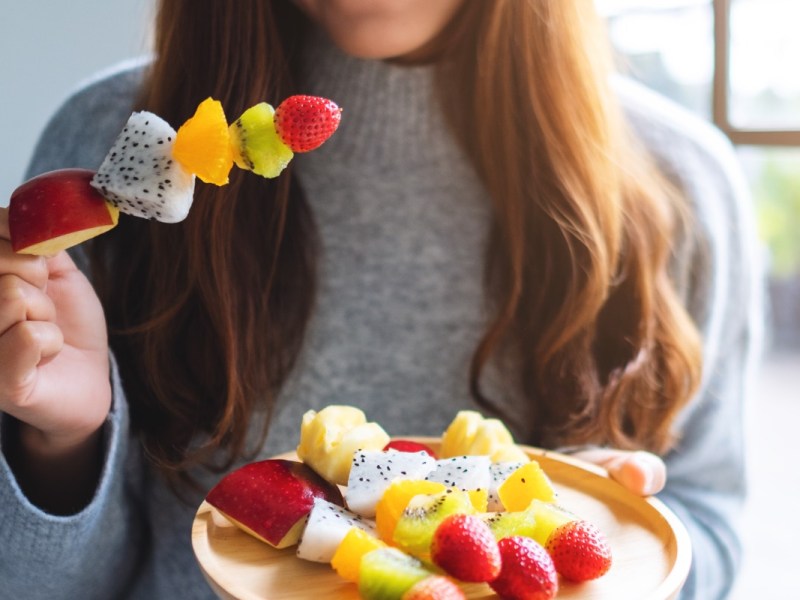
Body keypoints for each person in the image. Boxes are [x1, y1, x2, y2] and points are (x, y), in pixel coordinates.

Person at [0, 1, 763, 598]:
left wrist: (614, 544)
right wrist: (62, 443)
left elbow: (713, 529)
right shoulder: (105, 140)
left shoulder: (681, 179)